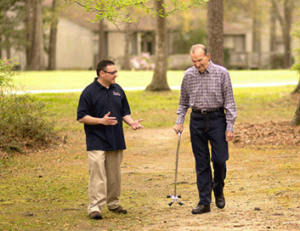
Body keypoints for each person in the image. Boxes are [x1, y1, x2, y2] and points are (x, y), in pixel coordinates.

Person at [174, 44, 237, 214]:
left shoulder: (222, 73)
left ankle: (218, 188)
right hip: (197, 120)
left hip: (217, 119)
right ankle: (204, 202)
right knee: (201, 162)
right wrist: (179, 121)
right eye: (194, 61)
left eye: (200, 60)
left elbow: (229, 102)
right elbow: (183, 102)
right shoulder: (188, 75)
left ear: (208, 56)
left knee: (219, 160)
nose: (197, 64)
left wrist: (230, 127)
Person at [77, 60, 143, 220]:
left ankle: (113, 204)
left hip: (115, 139)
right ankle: (95, 208)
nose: (116, 75)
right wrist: (101, 121)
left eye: (116, 72)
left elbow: (124, 112)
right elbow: (81, 117)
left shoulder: (118, 89)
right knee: (97, 175)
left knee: (114, 175)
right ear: (102, 73)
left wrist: (132, 122)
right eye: (112, 72)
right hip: (96, 140)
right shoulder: (89, 92)